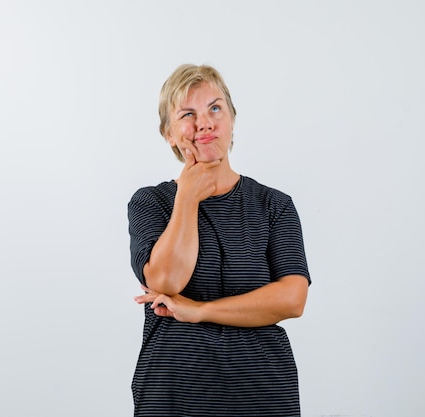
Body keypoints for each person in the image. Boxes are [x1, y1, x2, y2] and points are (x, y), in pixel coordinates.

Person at [127, 64, 311, 417]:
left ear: (231, 120)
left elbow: (292, 298)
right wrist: (188, 197)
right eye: (187, 114)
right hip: (173, 394)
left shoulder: (275, 205)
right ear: (168, 133)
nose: (205, 123)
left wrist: (200, 311)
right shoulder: (150, 202)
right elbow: (165, 280)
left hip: (262, 391)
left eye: (215, 108)